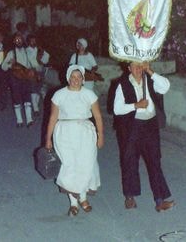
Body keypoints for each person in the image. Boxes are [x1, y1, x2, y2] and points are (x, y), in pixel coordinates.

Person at [113, 61, 174, 212]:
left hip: (150, 126)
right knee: (129, 161)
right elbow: (117, 109)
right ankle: (130, 196)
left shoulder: (150, 80)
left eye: (140, 66)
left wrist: (151, 71)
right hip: (131, 127)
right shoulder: (123, 84)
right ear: (129, 69)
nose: (138, 69)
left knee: (155, 161)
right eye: (135, 66)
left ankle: (160, 200)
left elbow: (166, 86)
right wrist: (136, 105)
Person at [45, 65, 104, 217]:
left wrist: (101, 135)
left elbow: (97, 116)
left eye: (79, 77)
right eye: (73, 77)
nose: (76, 80)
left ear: (83, 79)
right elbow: (52, 117)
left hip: (85, 132)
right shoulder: (59, 95)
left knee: (85, 164)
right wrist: (48, 139)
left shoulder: (89, 94)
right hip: (64, 133)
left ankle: (83, 198)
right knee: (70, 165)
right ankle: (73, 203)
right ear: (68, 77)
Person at [2, 32, 34, 128]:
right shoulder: (11, 53)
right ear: (13, 41)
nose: (18, 41)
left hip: (25, 77)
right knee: (16, 99)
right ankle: (19, 120)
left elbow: (32, 63)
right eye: (16, 40)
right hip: (15, 78)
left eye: (20, 39)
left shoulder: (27, 51)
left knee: (27, 98)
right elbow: (3, 66)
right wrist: (9, 63)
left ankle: (29, 120)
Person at [26, 33, 50, 115]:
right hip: (32, 71)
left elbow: (46, 57)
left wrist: (41, 57)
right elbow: (32, 61)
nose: (33, 42)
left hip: (41, 70)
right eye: (31, 41)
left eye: (34, 40)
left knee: (39, 88)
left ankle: (36, 106)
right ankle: (35, 108)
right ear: (28, 42)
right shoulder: (27, 50)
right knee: (33, 88)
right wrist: (39, 59)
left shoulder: (39, 49)